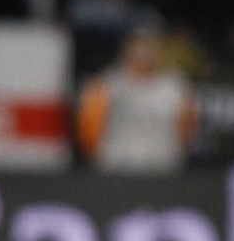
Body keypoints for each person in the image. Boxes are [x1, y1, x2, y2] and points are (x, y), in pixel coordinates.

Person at [76, 28, 197, 175]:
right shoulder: (106, 84)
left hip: (164, 169)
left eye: (150, 46)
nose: (145, 52)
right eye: (139, 46)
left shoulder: (176, 86)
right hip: (116, 168)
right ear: (127, 49)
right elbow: (88, 132)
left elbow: (188, 132)